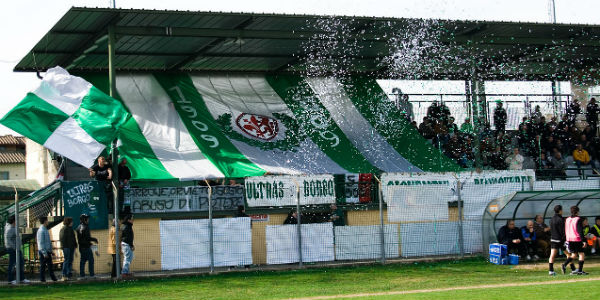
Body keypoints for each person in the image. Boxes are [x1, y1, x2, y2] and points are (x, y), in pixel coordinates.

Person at [549, 205, 574, 276]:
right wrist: (565, 239)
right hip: (560, 240)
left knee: (552, 255)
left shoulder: (551, 219)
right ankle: (573, 269)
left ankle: (551, 271)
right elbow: (563, 231)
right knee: (568, 254)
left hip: (553, 239)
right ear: (560, 210)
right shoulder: (561, 219)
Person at [563, 206, 588, 275]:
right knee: (581, 254)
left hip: (569, 239)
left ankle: (564, 264)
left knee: (574, 254)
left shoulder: (567, 219)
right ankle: (580, 271)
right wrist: (583, 240)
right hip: (577, 239)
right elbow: (580, 231)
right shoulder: (578, 219)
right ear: (577, 212)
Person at [4, 215, 30, 284]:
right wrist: (14, 247)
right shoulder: (9, 229)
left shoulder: (13, 228)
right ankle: (11, 279)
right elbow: (8, 240)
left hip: (16, 248)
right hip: (12, 249)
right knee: (12, 264)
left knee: (21, 263)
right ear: (13, 221)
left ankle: (21, 278)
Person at [76, 214, 98, 279]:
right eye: (87, 219)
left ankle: (82, 275)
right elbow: (87, 238)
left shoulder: (78, 227)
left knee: (82, 261)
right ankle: (91, 274)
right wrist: (94, 239)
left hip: (81, 247)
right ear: (84, 219)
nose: (88, 220)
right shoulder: (86, 227)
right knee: (91, 260)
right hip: (86, 247)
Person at [37, 216, 57, 282]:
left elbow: (48, 241)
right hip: (44, 251)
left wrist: (51, 251)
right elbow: (41, 243)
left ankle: (53, 278)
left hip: (47, 251)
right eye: (47, 220)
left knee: (50, 265)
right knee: (43, 266)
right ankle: (42, 279)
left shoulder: (45, 230)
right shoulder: (41, 231)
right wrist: (44, 253)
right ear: (45, 221)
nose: (48, 221)